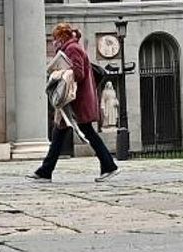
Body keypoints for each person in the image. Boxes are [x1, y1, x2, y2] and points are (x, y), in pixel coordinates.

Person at [32, 23, 121, 182]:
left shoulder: (72, 49)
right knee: (60, 134)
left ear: (62, 37)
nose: (54, 42)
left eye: (55, 38)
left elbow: (78, 74)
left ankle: (109, 166)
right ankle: (45, 171)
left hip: (76, 101)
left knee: (84, 133)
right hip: (72, 101)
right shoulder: (70, 48)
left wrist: (59, 73)